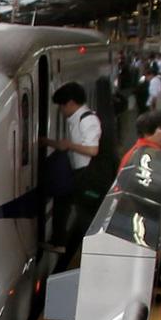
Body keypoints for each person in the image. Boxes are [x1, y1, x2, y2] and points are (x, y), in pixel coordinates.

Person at [42, 82, 104, 259]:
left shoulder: (88, 119)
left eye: (62, 106)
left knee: (83, 212)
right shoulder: (76, 119)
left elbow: (93, 150)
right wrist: (49, 142)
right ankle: (60, 243)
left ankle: (92, 252)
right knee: (63, 202)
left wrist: (69, 145)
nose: (61, 110)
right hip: (77, 171)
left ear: (70, 103)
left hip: (86, 173)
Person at [128, 110, 161, 290]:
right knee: (154, 245)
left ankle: (160, 279)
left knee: (155, 245)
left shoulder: (149, 152)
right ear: (152, 131)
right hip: (153, 214)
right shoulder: (147, 155)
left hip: (154, 214)